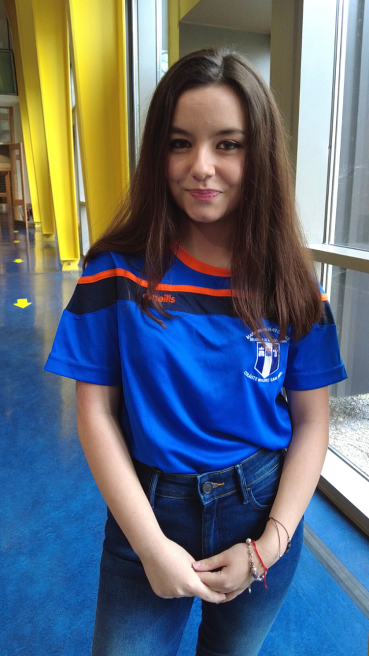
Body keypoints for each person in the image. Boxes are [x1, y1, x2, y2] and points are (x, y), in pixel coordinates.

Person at [45, 48, 347, 656]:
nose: (201, 167)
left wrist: (268, 547)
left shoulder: (290, 283)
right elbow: (95, 413)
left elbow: (314, 421)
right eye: (180, 143)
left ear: (258, 154)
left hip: (261, 510)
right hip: (146, 514)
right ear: (158, 152)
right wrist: (152, 547)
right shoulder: (117, 272)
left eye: (228, 144)